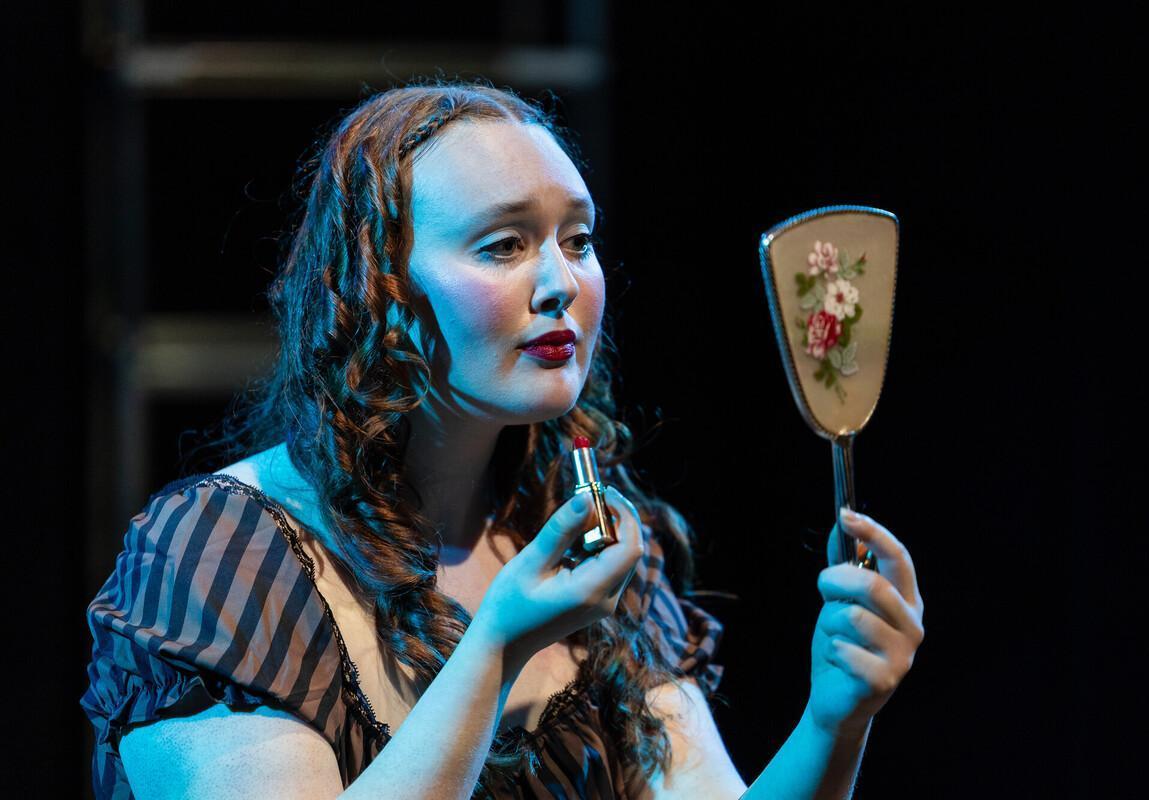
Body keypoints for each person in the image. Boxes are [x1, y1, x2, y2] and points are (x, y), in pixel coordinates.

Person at [80, 79, 925, 799]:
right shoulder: (219, 554)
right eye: (505, 245)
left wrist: (834, 719)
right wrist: (497, 649)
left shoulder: (583, 533)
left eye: (578, 240)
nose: (561, 283)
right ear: (379, 289)